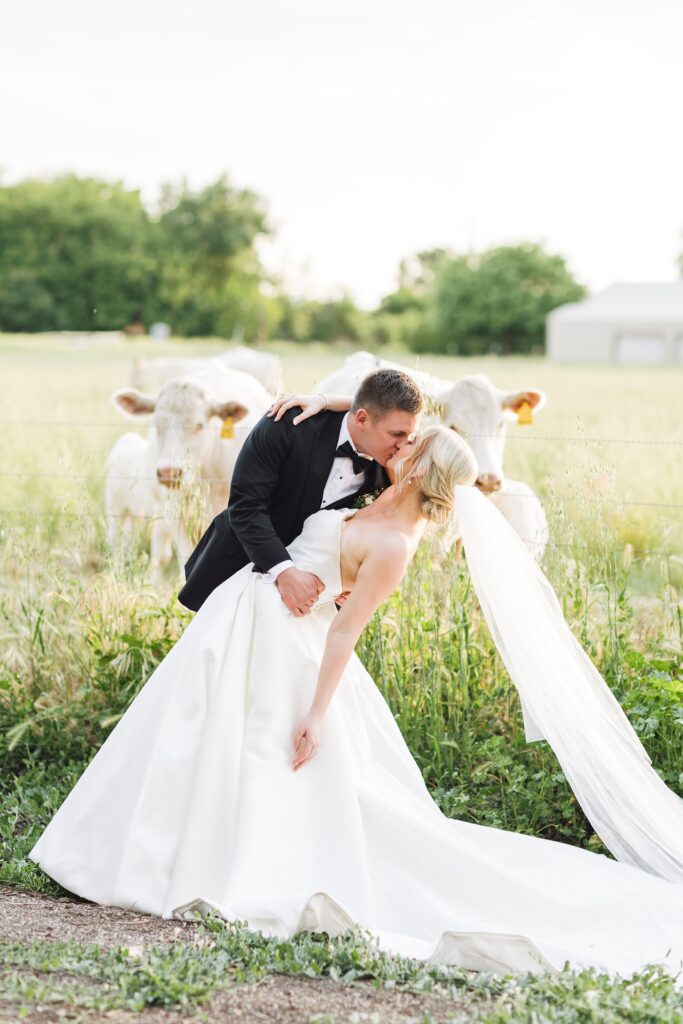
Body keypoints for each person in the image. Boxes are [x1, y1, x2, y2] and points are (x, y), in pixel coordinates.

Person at [28, 423, 683, 985]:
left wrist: (316, 713)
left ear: (423, 466)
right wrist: (321, 407)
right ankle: (151, 850)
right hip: (244, 623)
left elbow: (345, 628)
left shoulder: (397, 545)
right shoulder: (371, 489)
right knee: (191, 743)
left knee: (263, 760)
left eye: (413, 442)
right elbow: (365, 412)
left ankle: (223, 867)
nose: (400, 443)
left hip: (295, 651)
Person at [177, 367, 423, 614]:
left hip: (313, 604)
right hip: (235, 572)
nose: (403, 444)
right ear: (361, 419)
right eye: (396, 434)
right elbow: (246, 506)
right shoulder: (288, 424)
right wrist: (284, 572)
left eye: (409, 435)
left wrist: (350, 580)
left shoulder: (392, 471)